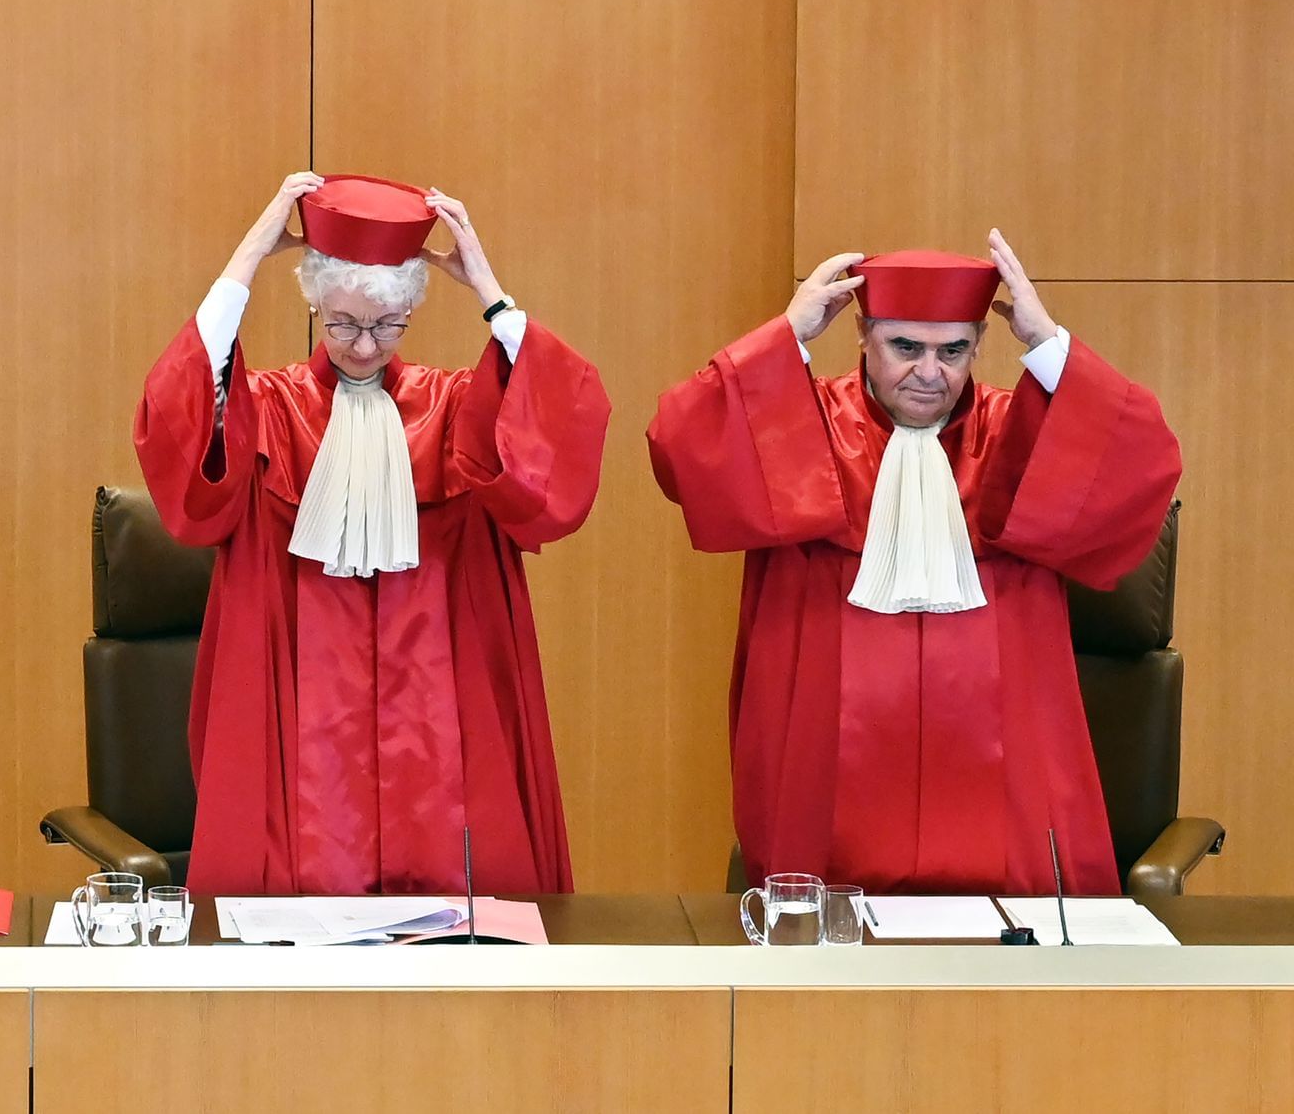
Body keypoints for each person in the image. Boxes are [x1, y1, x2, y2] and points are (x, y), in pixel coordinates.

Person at [648, 234, 1180, 895]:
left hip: (1001, 786)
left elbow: (1144, 459)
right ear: (863, 335)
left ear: (978, 344)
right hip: (835, 773)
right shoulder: (803, 425)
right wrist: (787, 335)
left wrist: (1048, 344)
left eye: (952, 350)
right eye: (905, 347)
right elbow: (679, 445)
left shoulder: (1020, 433)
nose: (930, 372)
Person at [136, 172, 611, 895]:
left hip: (433, 700)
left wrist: (491, 294)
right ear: (315, 307)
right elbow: (184, 420)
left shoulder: (453, 408)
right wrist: (246, 261)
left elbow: (558, 429)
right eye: (344, 324)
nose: (364, 345)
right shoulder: (269, 407)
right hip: (302, 700)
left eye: (387, 325)